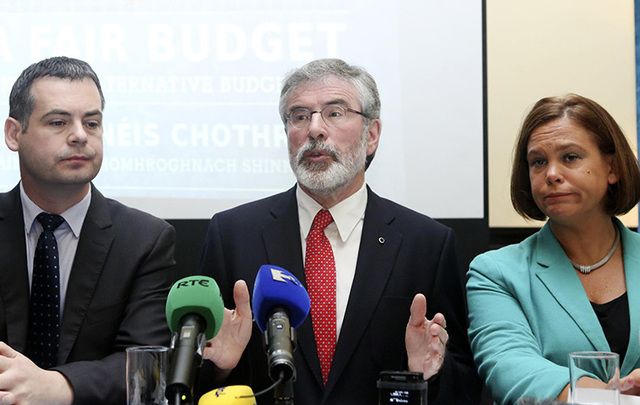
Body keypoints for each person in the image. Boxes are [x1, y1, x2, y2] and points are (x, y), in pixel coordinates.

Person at [197, 58, 480, 404]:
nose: (314, 129)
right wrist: (219, 369)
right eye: (299, 116)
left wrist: (431, 372)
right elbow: (198, 379)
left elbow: (466, 385)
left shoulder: (427, 244)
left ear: (371, 135)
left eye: (334, 112)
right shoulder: (232, 235)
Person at [0, 56, 253, 405]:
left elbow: (145, 361)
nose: (78, 136)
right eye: (58, 122)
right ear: (15, 134)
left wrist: (58, 386)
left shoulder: (144, 240)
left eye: (91, 123)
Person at [466, 93, 640, 404]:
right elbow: (510, 367)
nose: (551, 174)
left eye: (570, 157)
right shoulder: (496, 272)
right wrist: (609, 397)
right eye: (538, 162)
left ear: (612, 168)